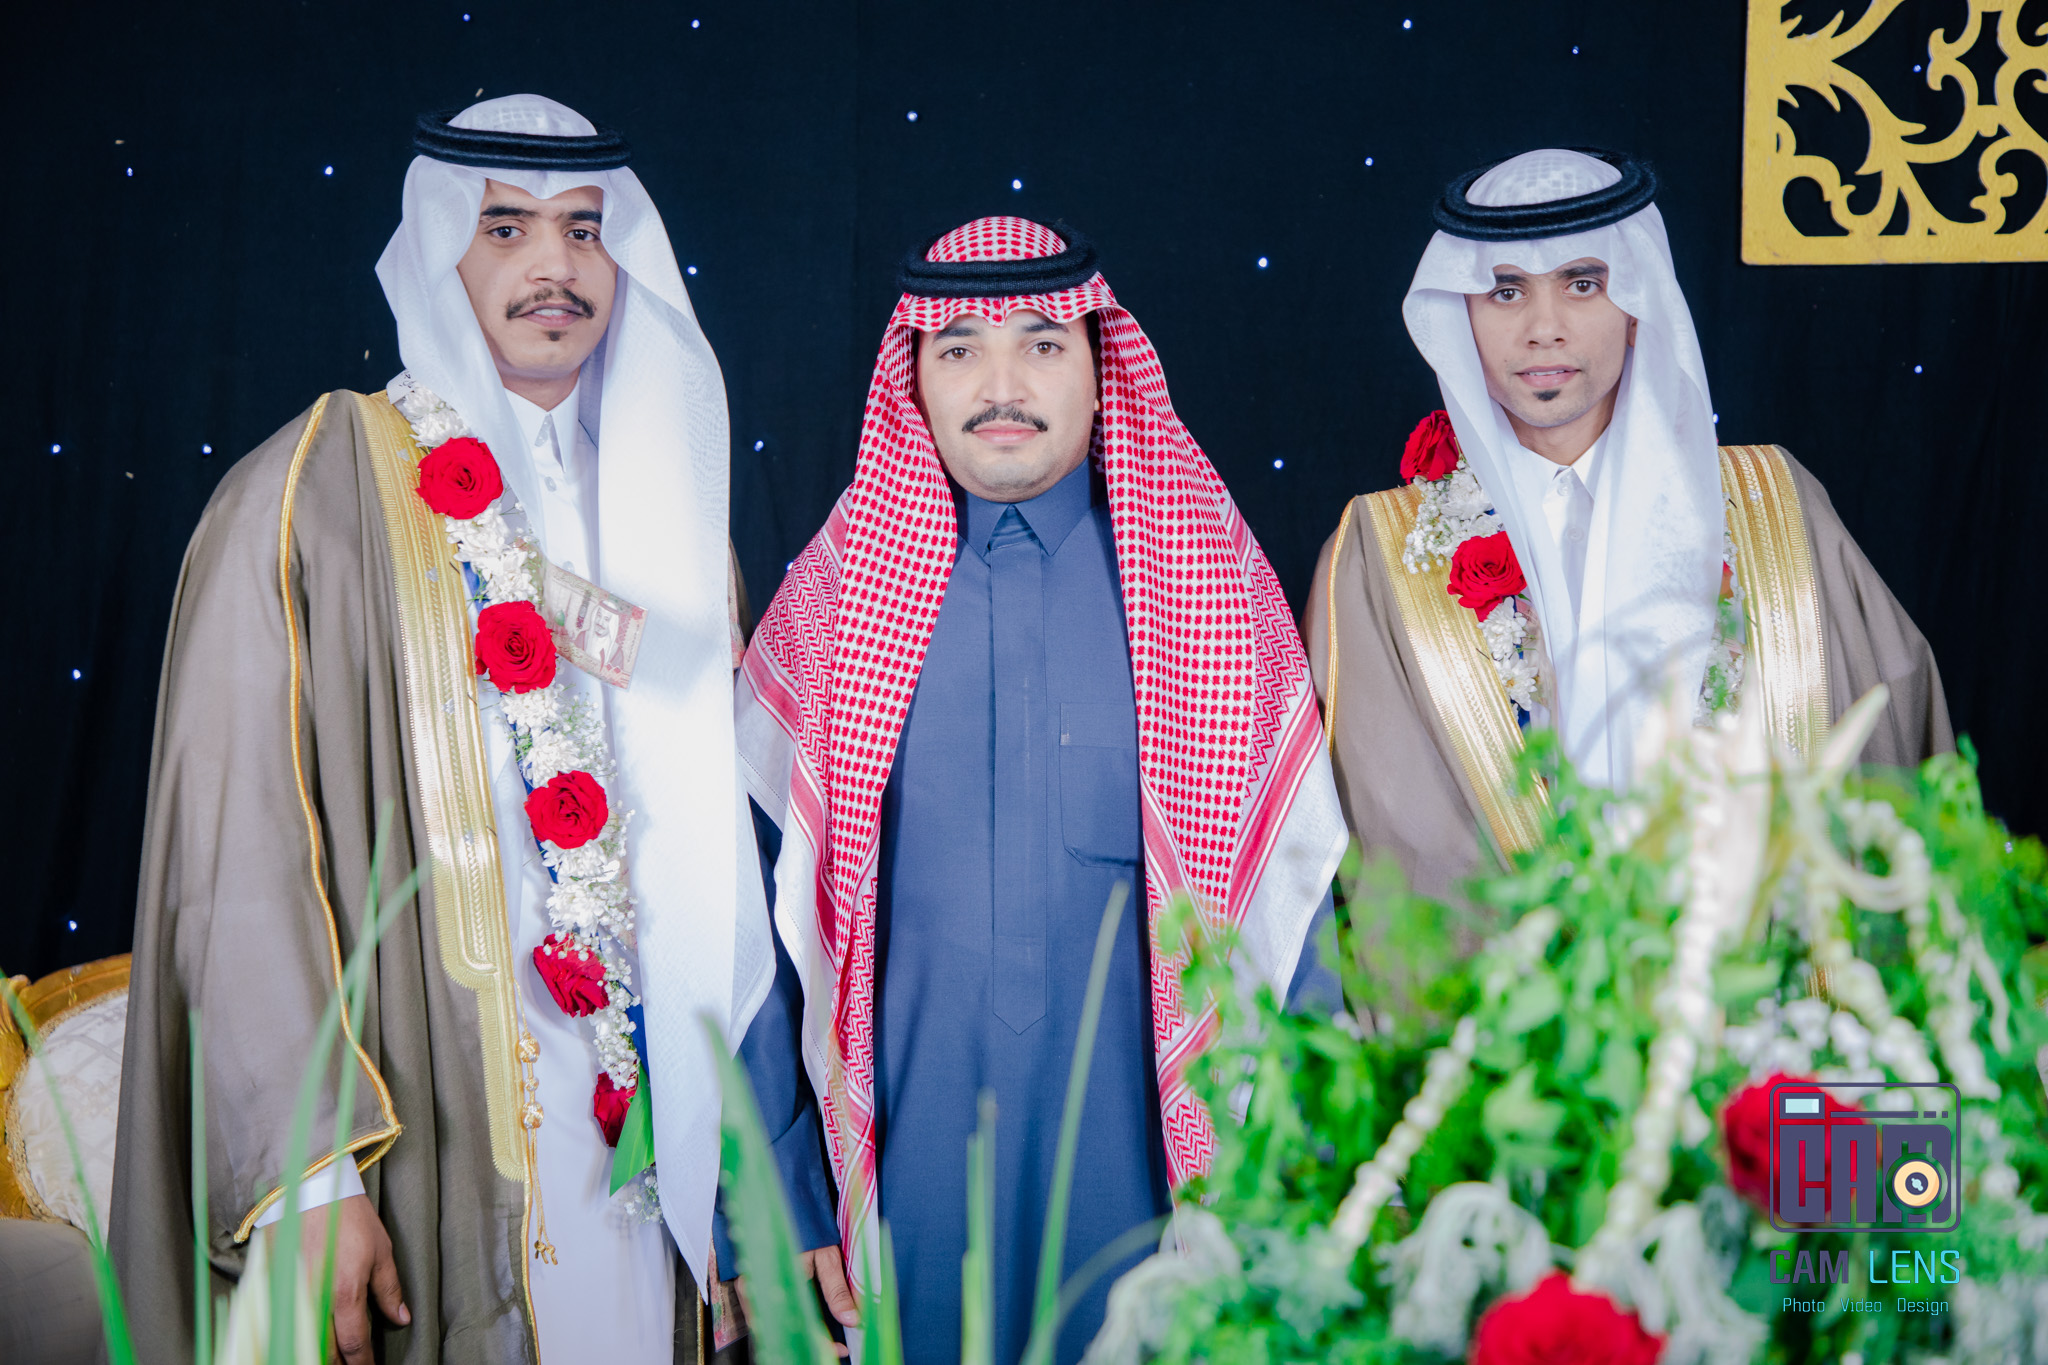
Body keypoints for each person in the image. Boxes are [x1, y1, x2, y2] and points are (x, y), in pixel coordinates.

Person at [109, 95, 767, 1365]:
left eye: (585, 230)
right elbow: (235, 852)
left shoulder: (680, 532)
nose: (553, 265)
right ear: (434, 248)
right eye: (504, 227)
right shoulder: (317, 488)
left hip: (645, 1151)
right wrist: (309, 1175)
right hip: (431, 1118)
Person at [722, 217, 1345, 1363]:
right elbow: (744, 928)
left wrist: (1301, 1196)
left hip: (1155, 1198)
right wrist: (772, 1192)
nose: (1000, 385)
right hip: (896, 1192)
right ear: (912, 375)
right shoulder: (832, 606)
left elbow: (1296, 910)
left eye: (1041, 344)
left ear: (1102, 370)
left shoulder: (1206, 588)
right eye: (958, 346)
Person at [1306, 148, 1952, 901]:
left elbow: (1889, 748)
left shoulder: (1775, 502)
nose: (1544, 329)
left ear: (1639, 304)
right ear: (1462, 314)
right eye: (1506, 291)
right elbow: (1385, 836)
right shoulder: (1382, 553)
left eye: (1583, 284)